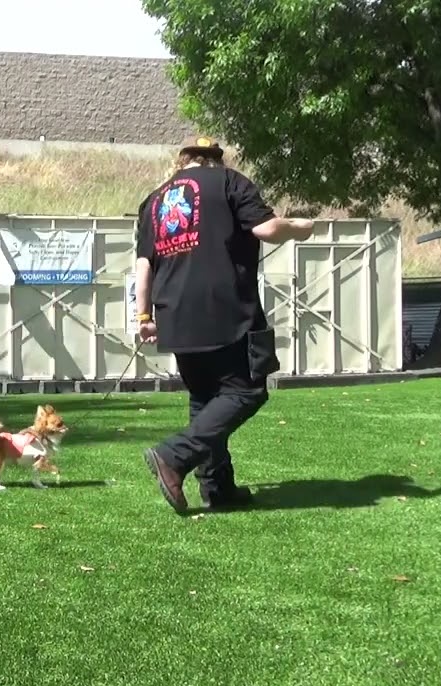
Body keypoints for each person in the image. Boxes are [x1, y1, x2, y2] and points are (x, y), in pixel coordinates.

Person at [133, 137, 315, 514]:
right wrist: (300, 227)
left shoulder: (153, 200)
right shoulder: (231, 181)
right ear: (215, 160)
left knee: (205, 398)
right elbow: (266, 229)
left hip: (174, 313)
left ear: (182, 161)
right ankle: (173, 456)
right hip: (226, 308)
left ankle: (218, 488)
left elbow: (144, 264)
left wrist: (144, 316)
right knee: (247, 391)